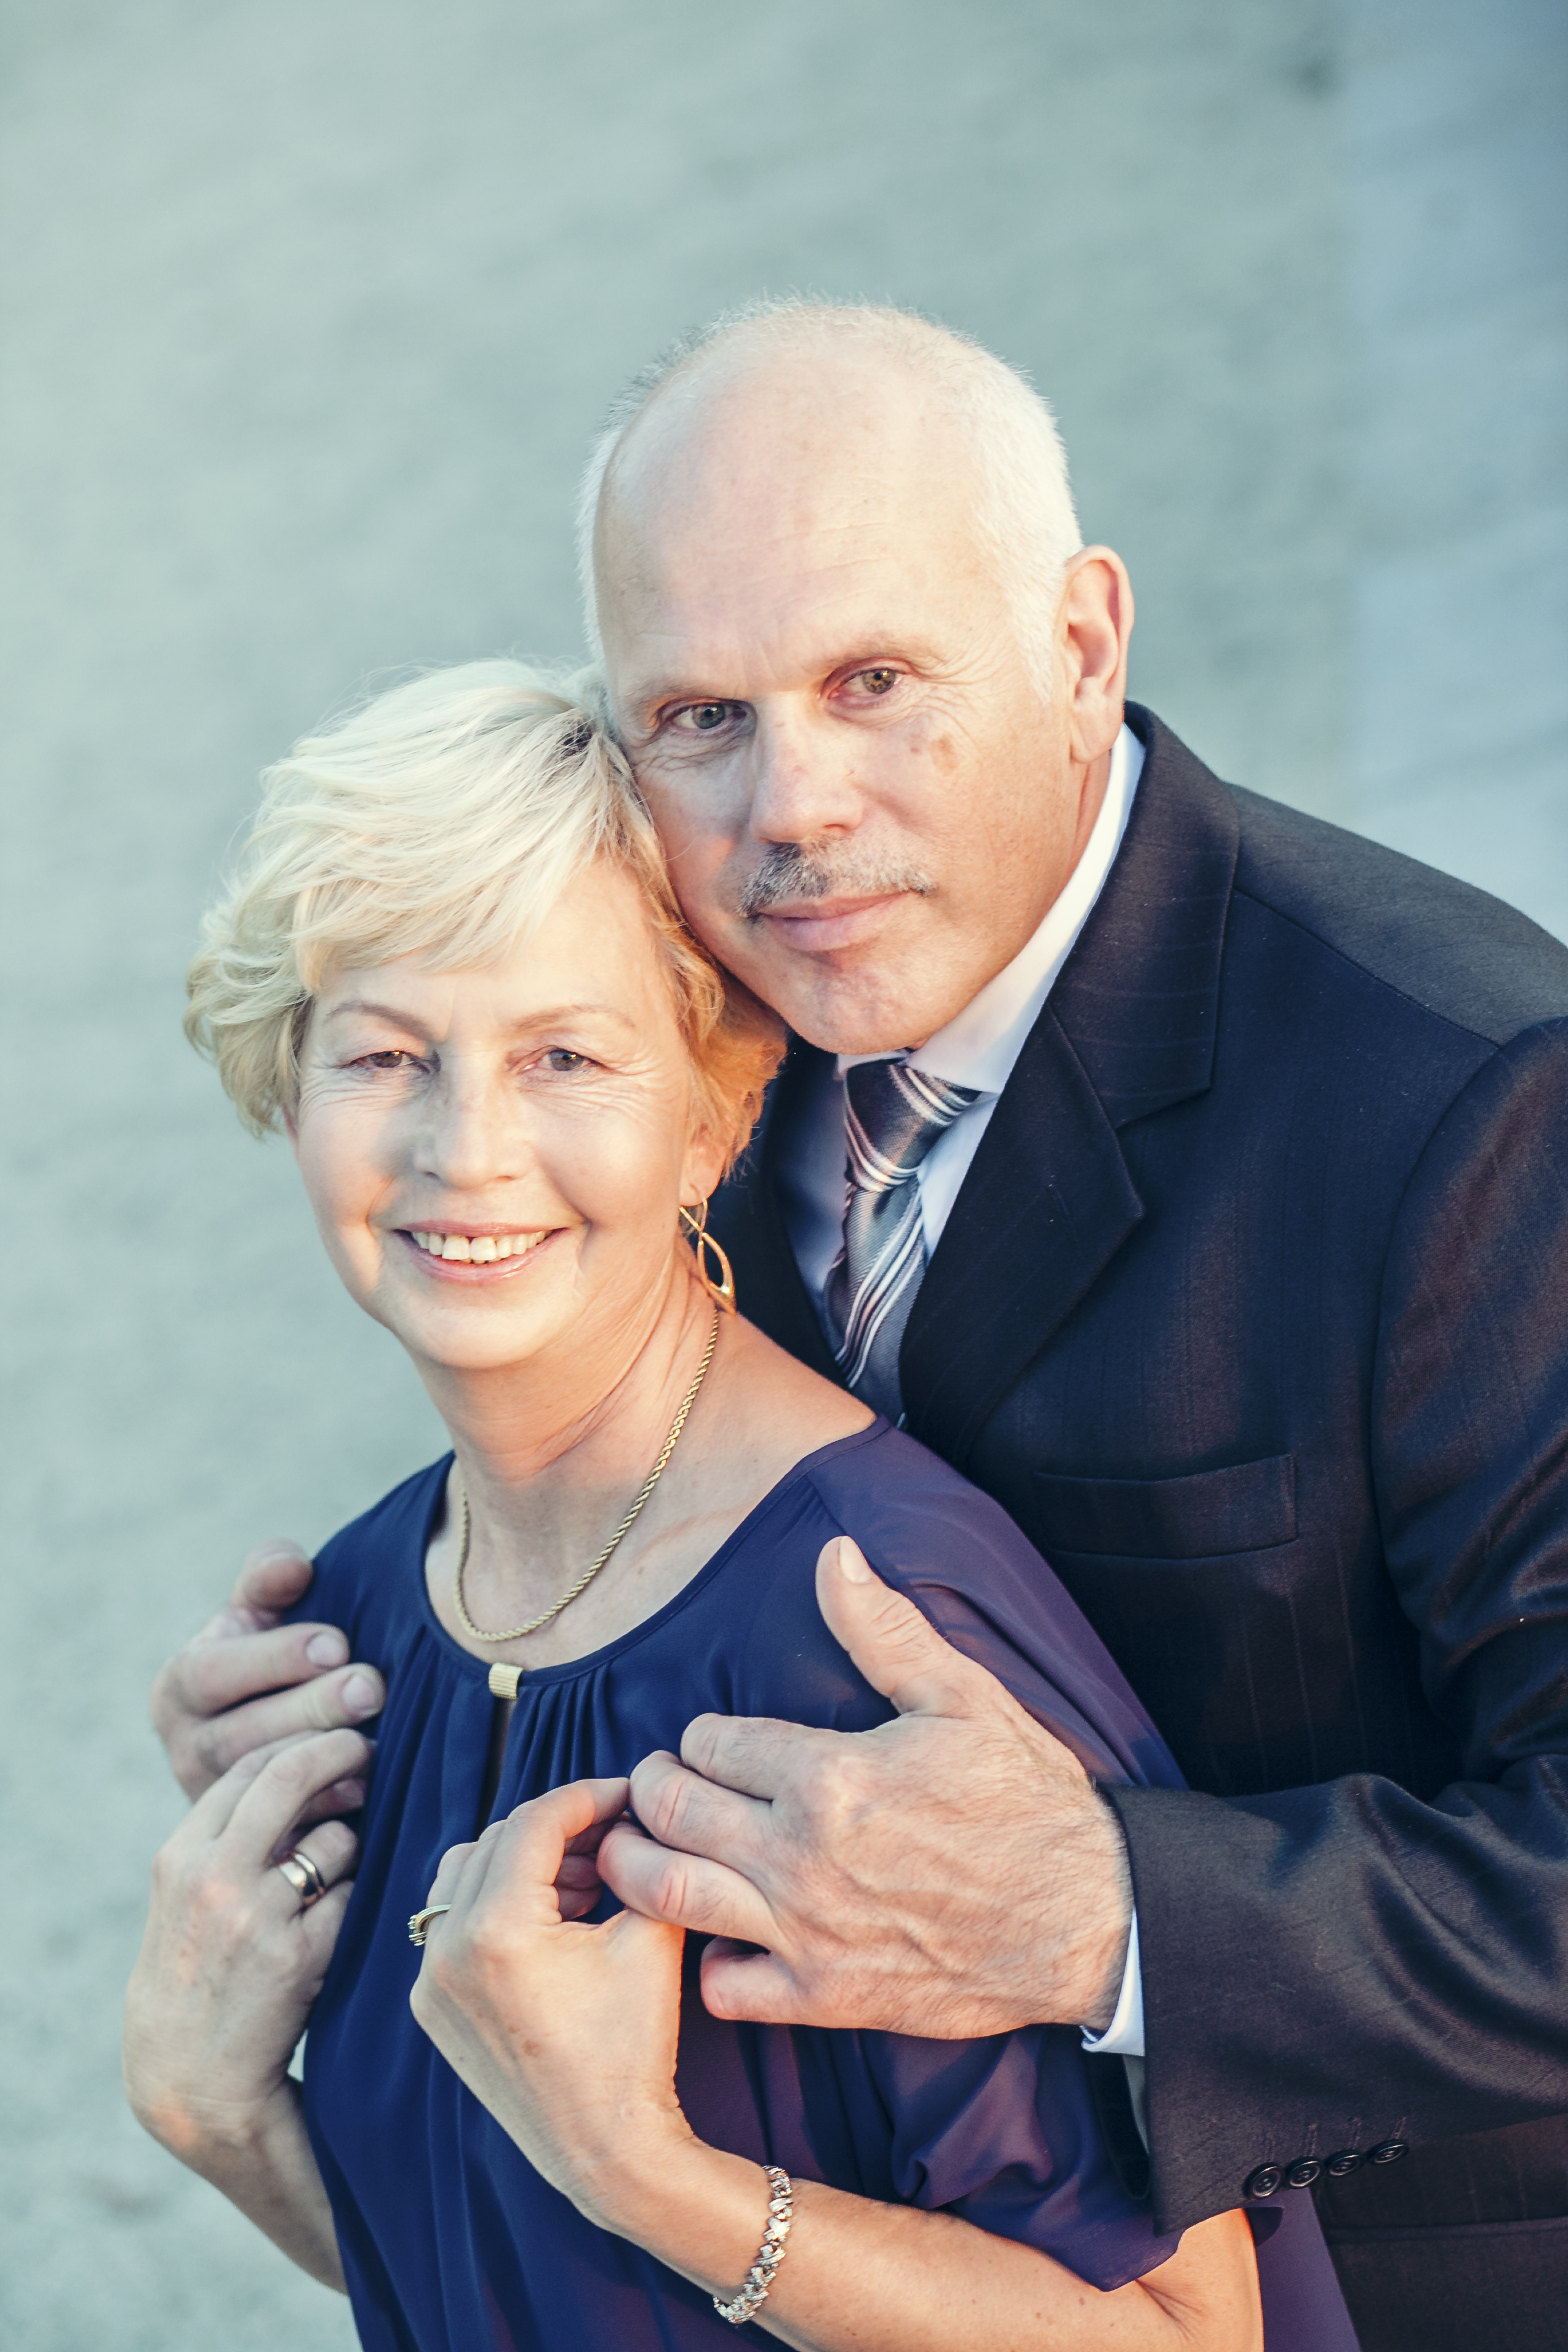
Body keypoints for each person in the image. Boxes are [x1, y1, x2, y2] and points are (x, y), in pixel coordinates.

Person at [150, 303, 1568, 2352]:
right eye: (701, 717)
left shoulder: (1471, 1103)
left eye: (874, 682)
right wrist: (387, 1725)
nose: (794, 807)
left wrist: (1107, 1912)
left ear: (1081, 640)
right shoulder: (708, 1003)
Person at [125, 661, 1337, 2350]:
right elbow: (510, 2287)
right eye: (385, 1053)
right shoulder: (366, 1619)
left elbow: (1191, 2337)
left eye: (564, 1055)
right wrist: (221, 2121)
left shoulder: (869, 1630)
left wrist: (651, 2174)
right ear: (289, 1084)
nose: (466, 1149)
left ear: (715, 1108)